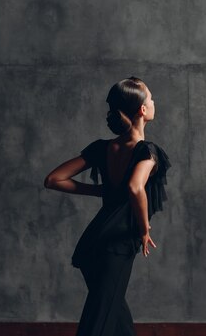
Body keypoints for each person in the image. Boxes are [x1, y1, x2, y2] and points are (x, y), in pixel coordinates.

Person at [45, 77, 170, 336]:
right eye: (151, 98)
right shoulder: (147, 151)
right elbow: (136, 187)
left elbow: (53, 179)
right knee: (99, 321)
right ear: (142, 110)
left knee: (116, 316)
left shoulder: (103, 148)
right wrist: (145, 228)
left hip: (94, 241)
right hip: (117, 241)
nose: (154, 101)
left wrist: (101, 191)